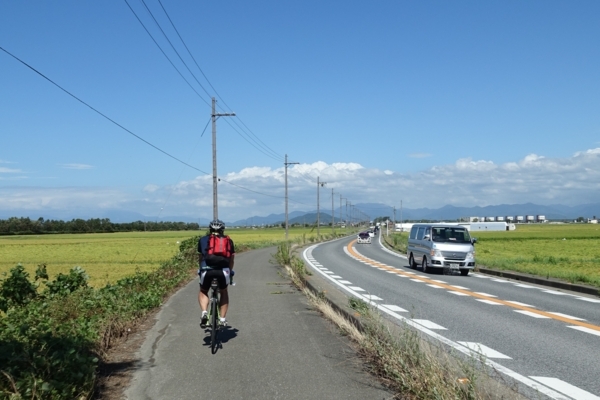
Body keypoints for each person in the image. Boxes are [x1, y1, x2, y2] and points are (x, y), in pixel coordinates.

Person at [198, 219, 235, 328]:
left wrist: (201, 269)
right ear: (222, 230)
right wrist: (230, 271)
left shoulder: (203, 240)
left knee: (203, 290)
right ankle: (222, 319)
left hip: (207, 270)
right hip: (223, 271)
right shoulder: (229, 241)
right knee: (223, 291)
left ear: (210, 229)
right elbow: (231, 260)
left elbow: (200, 258)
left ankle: (204, 312)